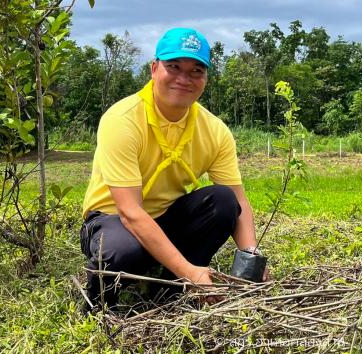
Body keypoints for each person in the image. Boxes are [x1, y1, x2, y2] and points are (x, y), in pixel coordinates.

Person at [80, 28, 267, 310]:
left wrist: (251, 256)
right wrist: (191, 271)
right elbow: (130, 213)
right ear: (154, 68)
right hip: (111, 219)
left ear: (205, 78)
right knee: (121, 249)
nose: (184, 78)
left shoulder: (215, 131)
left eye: (196, 70)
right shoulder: (123, 120)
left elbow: (239, 200)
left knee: (223, 200)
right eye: (174, 66)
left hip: (166, 218)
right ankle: (98, 304)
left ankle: (168, 292)